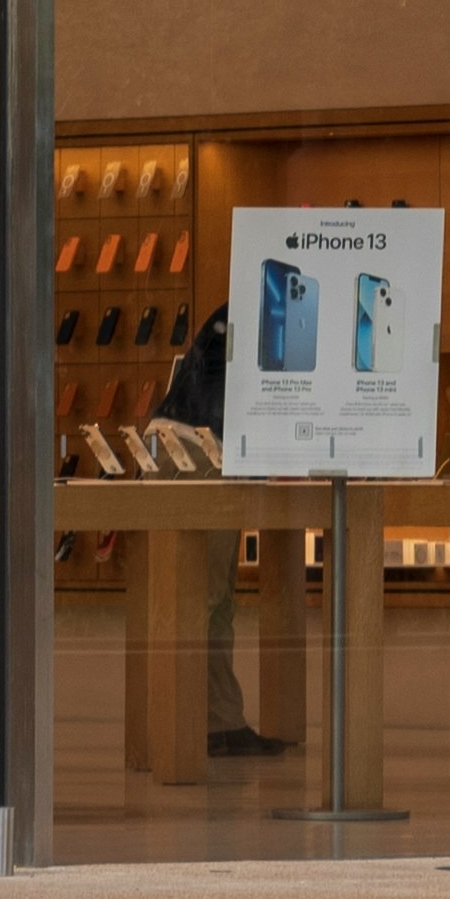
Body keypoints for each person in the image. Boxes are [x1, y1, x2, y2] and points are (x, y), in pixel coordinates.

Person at [163, 302, 279, 758]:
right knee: (203, 598)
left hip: (212, 451)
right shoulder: (261, 309)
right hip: (198, 450)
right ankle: (190, 726)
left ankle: (221, 722)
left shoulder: (257, 305)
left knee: (218, 601)